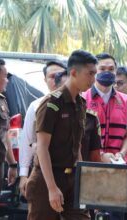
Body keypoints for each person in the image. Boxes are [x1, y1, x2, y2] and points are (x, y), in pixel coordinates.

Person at [25, 50, 97, 220]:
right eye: (90, 73)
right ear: (73, 72)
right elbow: (42, 147)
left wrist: (81, 179)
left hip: (72, 178)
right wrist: (51, 188)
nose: (93, 79)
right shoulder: (51, 103)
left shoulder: (80, 104)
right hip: (46, 179)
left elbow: (77, 145)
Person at [19, 60, 66, 197]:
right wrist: (23, 175)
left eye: (60, 75)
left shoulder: (78, 105)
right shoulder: (36, 106)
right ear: (45, 80)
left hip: (68, 172)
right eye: (52, 76)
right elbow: (27, 141)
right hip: (40, 170)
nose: (56, 80)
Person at [83, 53, 127, 163]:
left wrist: (122, 153)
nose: (107, 72)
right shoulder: (82, 99)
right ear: (95, 71)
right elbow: (78, 136)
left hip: (118, 164)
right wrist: (100, 156)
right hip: (89, 164)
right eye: (102, 69)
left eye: (111, 69)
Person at [0, 59, 17, 195]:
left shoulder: (2, 101)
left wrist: (12, 164)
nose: (7, 80)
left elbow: (5, 134)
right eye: (5, 76)